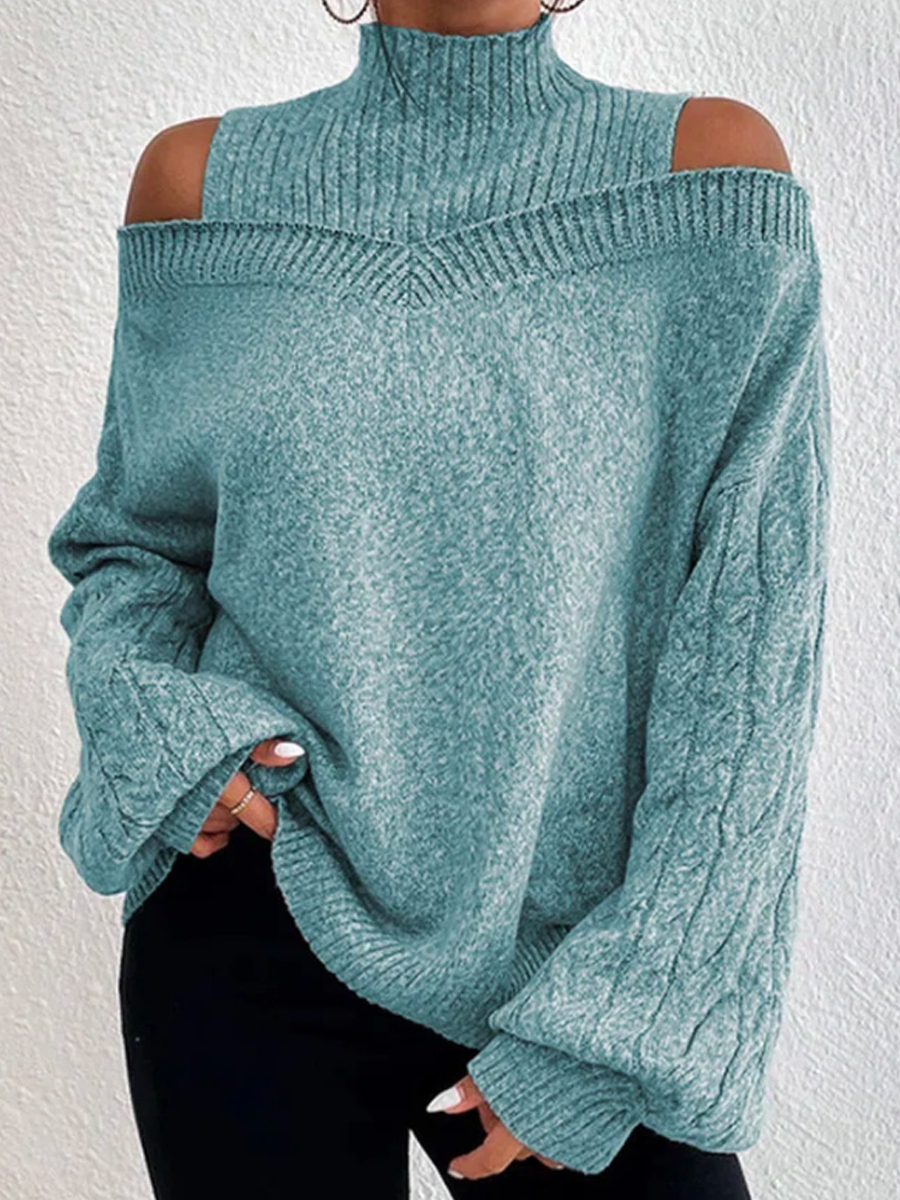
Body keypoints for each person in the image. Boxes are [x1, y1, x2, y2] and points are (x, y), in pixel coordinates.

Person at [45, 0, 831, 1196]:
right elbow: (135, 546)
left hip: (578, 958)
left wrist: (624, 1023)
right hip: (256, 907)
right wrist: (172, 741)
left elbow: (750, 633)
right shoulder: (199, 185)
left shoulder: (709, 179)